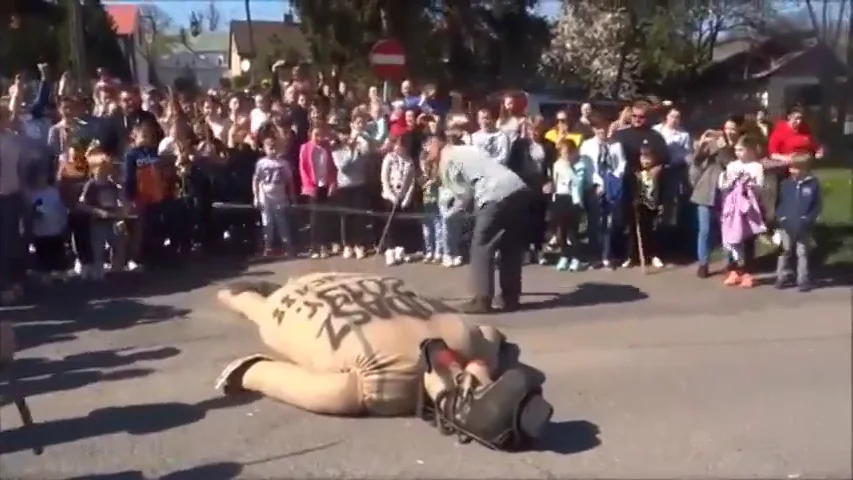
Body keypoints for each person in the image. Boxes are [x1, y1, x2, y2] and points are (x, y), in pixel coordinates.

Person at [422, 133, 532, 314]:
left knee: (481, 245)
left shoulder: (446, 159)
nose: (426, 150)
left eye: (427, 145)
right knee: (510, 245)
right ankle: (510, 298)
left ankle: (481, 299)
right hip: (517, 188)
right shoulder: (467, 149)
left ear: (437, 143)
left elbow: (463, 195)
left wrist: (451, 213)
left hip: (494, 194)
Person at [78, 152, 130, 279]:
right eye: (102, 169)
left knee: (119, 242)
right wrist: (97, 211)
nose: (105, 172)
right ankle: (98, 272)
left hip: (112, 220)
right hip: (98, 221)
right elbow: (82, 204)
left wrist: (120, 189)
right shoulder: (91, 185)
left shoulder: (112, 185)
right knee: (98, 247)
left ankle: (117, 268)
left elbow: (121, 200)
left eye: (107, 169)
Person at [774, 154, 821, 292]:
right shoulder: (786, 184)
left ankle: (803, 279)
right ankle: (781, 277)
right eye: (791, 168)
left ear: (805, 169)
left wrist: (809, 218)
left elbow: (817, 205)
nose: (791, 171)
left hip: (803, 225)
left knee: (802, 252)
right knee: (784, 251)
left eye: (795, 168)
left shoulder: (813, 184)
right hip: (786, 224)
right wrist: (781, 217)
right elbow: (780, 203)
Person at [253, 135, 297, 257]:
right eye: (269, 146)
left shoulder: (283, 163)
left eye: (274, 146)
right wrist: (256, 196)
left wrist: (292, 197)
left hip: (279, 194)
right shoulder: (261, 163)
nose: (272, 149)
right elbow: (256, 180)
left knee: (281, 221)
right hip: (265, 195)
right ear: (264, 148)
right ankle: (268, 247)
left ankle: (287, 246)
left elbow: (289, 182)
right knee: (267, 222)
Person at [549, 138, 587, 272]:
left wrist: (569, 167)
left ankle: (576, 258)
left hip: (573, 199)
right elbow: (555, 181)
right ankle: (564, 256)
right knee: (561, 231)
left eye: (567, 152)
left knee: (572, 232)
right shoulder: (557, 165)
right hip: (560, 198)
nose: (565, 155)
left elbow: (578, 182)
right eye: (562, 152)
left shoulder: (579, 166)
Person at [380, 135, 417, 266]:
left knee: (401, 223)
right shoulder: (389, 159)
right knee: (390, 224)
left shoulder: (409, 161)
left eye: (401, 146)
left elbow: (412, 182)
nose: (398, 148)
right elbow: (384, 179)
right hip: (390, 196)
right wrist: (391, 196)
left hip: (403, 197)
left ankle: (400, 250)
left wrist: (407, 197)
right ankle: (389, 249)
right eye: (397, 145)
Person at [26, 168, 68, 283]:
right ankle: (45, 277)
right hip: (40, 231)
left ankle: (60, 274)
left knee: (57, 251)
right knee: (43, 254)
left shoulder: (53, 192)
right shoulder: (32, 194)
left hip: (55, 229)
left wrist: (63, 223)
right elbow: (29, 212)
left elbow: (60, 209)